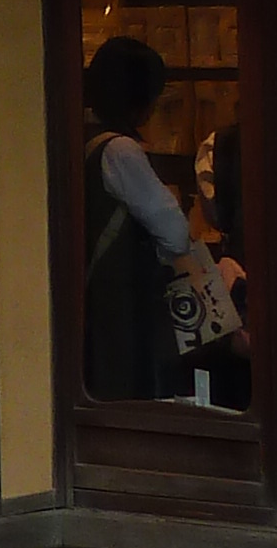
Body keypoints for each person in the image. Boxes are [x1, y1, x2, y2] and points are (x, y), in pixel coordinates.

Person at [81, 36, 243, 401]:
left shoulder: (81, 140)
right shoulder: (120, 151)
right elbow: (173, 231)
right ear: (140, 101)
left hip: (101, 305)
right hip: (125, 306)